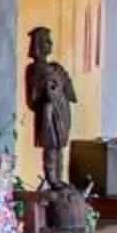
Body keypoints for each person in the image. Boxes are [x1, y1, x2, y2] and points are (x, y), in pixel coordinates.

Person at [25, 25, 76, 184]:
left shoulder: (55, 67)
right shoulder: (33, 69)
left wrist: (62, 83)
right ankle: (51, 178)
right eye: (47, 42)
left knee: (60, 145)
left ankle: (59, 178)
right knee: (50, 146)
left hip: (61, 109)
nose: (50, 44)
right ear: (39, 44)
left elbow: (68, 89)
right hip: (48, 111)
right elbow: (34, 93)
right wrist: (46, 93)